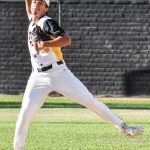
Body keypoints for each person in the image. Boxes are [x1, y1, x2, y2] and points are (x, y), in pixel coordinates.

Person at [14, 0, 143, 149]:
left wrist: (46, 44)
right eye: (34, 2)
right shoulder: (32, 19)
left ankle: (124, 127)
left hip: (59, 73)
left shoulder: (46, 22)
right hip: (37, 77)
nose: (35, 5)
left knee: (89, 100)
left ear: (46, 7)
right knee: (24, 114)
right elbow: (29, 5)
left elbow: (67, 40)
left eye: (40, 3)